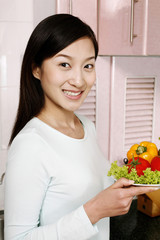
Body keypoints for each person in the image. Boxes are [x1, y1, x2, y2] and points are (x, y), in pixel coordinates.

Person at [4, 14, 158, 240]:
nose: (79, 80)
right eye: (64, 64)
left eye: (88, 65)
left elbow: (90, 186)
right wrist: (94, 211)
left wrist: (131, 181)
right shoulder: (30, 145)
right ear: (36, 69)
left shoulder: (86, 126)